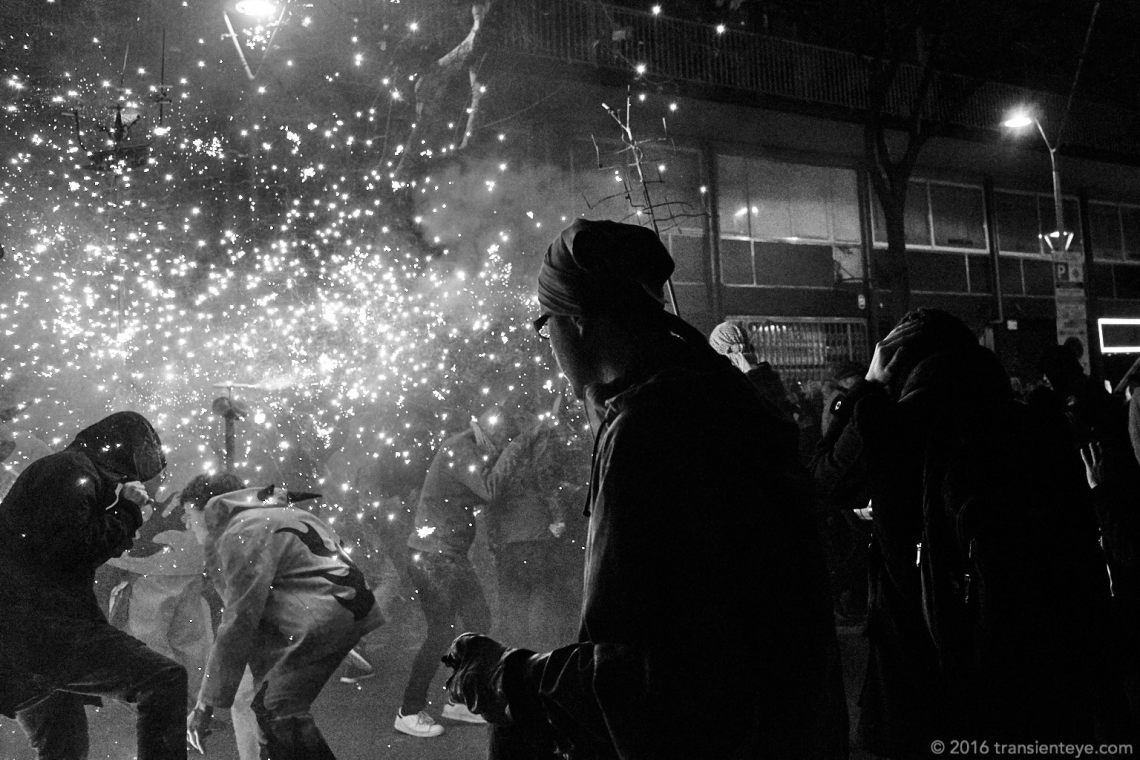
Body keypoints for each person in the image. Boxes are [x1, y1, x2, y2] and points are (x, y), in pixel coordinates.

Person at [443, 219, 848, 760]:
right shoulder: (713, 396)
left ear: (577, 322)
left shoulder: (650, 428)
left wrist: (506, 677)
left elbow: (651, 678)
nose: (549, 345)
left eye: (546, 325)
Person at [812, 310, 1109, 757]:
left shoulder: (895, 424)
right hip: (1035, 656)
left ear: (901, 363)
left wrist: (867, 387)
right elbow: (1080, 542)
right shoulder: (1035, 424)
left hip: (922, 661)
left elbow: (823, 480)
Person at [0, 411, 187, 760]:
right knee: (164, 680)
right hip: (42, 631)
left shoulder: (70, 469)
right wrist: (128, 510)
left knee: (65, 748)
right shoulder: (71, 470)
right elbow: (74, 549)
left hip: (23, 634)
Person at [185, 483, 384, 759]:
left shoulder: (239, 534)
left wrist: (205, 705)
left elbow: (239, 619)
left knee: (277, 711)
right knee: (271, 710)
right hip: (345, 610)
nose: (187, 523)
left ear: (206, 509)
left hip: (324, 620)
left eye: (189, 514)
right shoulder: (272, 515)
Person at [395, 406, 539, 738]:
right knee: (444, 630)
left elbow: (476, 494)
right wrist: (518, 447)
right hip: (434, 555)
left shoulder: (465, 447)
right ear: (491, 434)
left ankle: (457, 701)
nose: (499, 451)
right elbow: (489, 489)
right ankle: (409, 711)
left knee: (475, 623)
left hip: (442, 553)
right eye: (501, 443)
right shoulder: (460, 449)